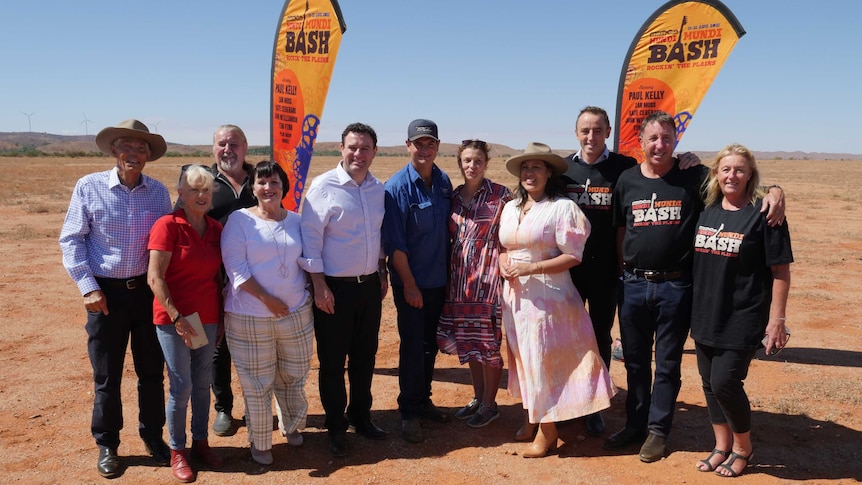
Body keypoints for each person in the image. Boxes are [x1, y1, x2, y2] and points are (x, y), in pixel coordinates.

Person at [607, 111, 785, 463]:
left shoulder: (693, 176)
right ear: (641, 142)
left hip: (676, 287)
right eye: (653, 138)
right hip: (633, 285)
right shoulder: (627, 180)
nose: (660, 144)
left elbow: (738, 183)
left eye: (667, 138)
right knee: (635, 363)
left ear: (676, 141)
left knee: (668, 364)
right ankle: (634, 425)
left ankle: (658, 432)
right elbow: (620, 233)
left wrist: (776, 192)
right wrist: (624, 275)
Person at [562, 106, 701, 436]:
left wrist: (688, 158)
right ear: (576, 133)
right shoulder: (563, 170)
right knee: (568, 339)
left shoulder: (624, 168)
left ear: (608, 131)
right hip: (568, 271)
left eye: (598, 130)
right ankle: (569, 401)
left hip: (608, 273)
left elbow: (628, 218)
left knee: (599, 339)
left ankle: (595, 405)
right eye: (585, 130)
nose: (591, 136)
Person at [59, 119, 172, 478]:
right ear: (113, 150)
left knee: (152, 372)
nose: (134, 154)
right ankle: (108, 444)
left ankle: (153, 438)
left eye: (141, 149)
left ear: (148, 156)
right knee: (106, 375)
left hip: (145, 293)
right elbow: (71, 239)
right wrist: (87, 287)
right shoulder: (88, 187)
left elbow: (166, 245)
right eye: (127, 146)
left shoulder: (158, 193)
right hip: (104, 295)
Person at [498, 142, 615, 458]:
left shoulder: (562, 208)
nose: (529, 172)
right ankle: (530, 417)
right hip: (515, 296)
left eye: (536, 167)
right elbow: (505, 248)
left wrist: (531, 267)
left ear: (549, 172)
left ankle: (548, 433)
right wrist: (502, 262)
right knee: (522, 357)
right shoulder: (510, 207)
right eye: (525, 167)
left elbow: (573, 256)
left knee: (542, 360)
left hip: (549, 298)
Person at [691, 144, 792, 477]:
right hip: (705, 312)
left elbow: (780, 272)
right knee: (707, 382)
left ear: (750, 175)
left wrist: (776, 321)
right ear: (716, 174)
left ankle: (742, 448)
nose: (731, 175)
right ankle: (721, 446)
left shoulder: (765, 215)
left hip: (743, 315)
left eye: (739, 170)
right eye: (725, 169)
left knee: (724, 382)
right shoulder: (705, 211)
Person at [300, 122, 389, 457]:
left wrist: (381, 271)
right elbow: (311, 242)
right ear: (341, 149)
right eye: (352, 147)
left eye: (365, 148)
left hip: (368, 288)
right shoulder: (322, 188)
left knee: (365, 357)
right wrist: (319, 285)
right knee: (333, 362)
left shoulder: (377, 189)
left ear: (374, 152)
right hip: (333, 289)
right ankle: (335, 426)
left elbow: (378, 237)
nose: (358, 154)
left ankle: (361, 416)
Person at [220, 161, 314, 466]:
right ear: (252, 188)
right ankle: (260, 442)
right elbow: (236, 269)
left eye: (274, 182)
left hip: (297, 313)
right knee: (257, 382)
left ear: (284, 186)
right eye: (261, 183)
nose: (268, 188)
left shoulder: (298, 221)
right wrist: (268, 300)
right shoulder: (239, 221)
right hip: (249, 317)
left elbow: (310, 261)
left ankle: (292, 425)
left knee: (294, 375)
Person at [147, 165, 224, 482]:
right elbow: (155, 276)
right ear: (181, 192)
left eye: (206, 189)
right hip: (173, 319)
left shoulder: (216, 228)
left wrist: (220, 319)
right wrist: (177, 317)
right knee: (182, 386)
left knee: (203, 383)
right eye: (195, 189)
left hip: (206, 317)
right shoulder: (168, 226)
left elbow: (219, 278)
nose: (202, 195)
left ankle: (201, 442)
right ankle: (178, 451)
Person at [382, 119, 454, 443]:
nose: (424, 149)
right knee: (412, 347)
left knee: (429, 347)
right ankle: (408, 411)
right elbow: (396, 245)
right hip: (412, 283)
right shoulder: (395, 188)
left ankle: (423, 401)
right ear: (407, 145)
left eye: (430, 144)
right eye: (418, 144)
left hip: (439, 281)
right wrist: (409, 285)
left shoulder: (443, 182)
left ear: (437, 146)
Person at [437, 139, 512, 429]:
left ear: (486, 163)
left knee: (488, 345)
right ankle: (479, 398)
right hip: (460, 280)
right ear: (460, 163)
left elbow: (510, 235)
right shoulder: (453, 197)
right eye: (467, 160)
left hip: (487, 280)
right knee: (470, 343)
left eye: (478, 160)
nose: (472, 166)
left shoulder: (500, 196)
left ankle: (491, 404)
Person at [199, 125, 256, 437]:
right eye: (221, 144)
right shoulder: (203, 184)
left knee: (253, 346)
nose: (228, 149)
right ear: (213, 149)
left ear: (245, 147)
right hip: (212, 280)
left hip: (255, 280)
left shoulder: (261, 180)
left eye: (234, 143)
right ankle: (223, 408)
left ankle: (254, 404)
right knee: (218, 348)